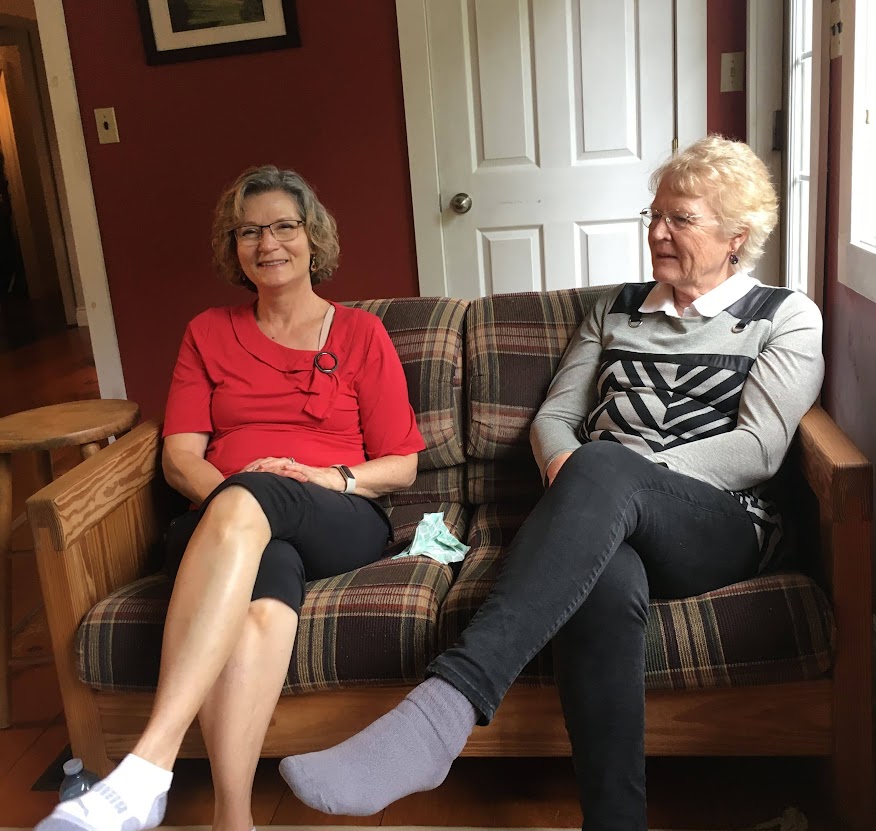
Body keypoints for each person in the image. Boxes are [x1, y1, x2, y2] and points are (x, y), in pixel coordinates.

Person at [276, 136, 825, 830]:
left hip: (718, 523)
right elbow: (556, 418)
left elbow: (759, 449)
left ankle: (439, 716)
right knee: (605, 579)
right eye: (654, 215)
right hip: (604, 519)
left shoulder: (785, 315)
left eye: (681, 219)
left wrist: (617, 478)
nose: (658, 232)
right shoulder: (616, 309)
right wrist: (574, 473)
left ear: (735, 236)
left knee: (604, 466)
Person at [37, 165, 425, 831]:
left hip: (337, 514)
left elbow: (403, 466)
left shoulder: (361, 333)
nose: (267, 243)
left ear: (313, 237)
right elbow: (179, 457)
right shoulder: (207, 332)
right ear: (233, 247)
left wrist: (329, 478)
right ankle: (233, 819)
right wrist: (239, 506)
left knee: (255, 502)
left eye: (283, 226)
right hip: (226, 528)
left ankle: (147, 768)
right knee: (260, 611)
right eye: (248, 231)